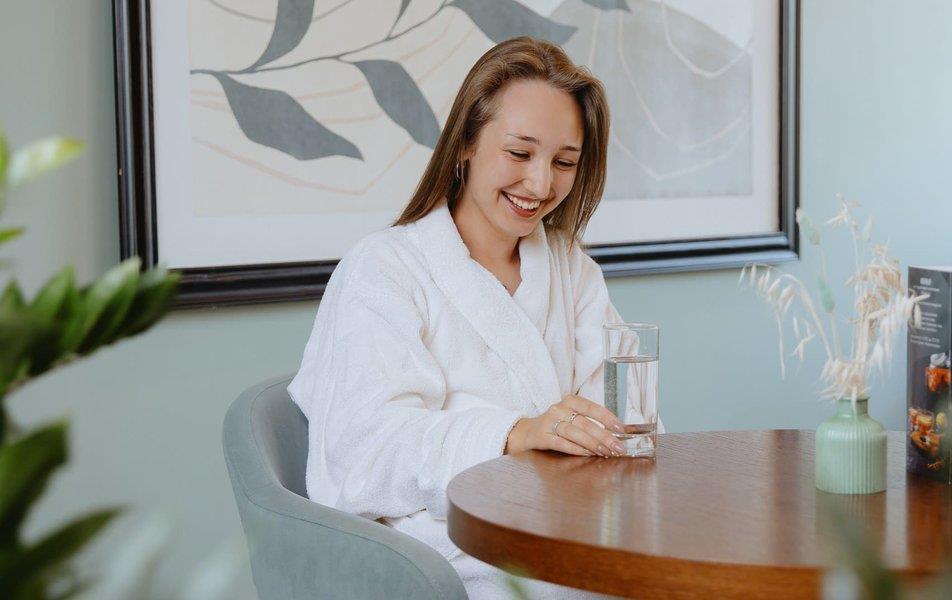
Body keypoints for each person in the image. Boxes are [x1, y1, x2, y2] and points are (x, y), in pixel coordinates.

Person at [289, 36, 628, 599]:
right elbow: (367, 449)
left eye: (564, 162)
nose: (541, 184)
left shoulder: (572, 271)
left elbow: (618, 420)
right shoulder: (385, 268)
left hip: (569, 531)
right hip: (447, 557)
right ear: (466, 142)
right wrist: (514, 434)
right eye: (519, 154)